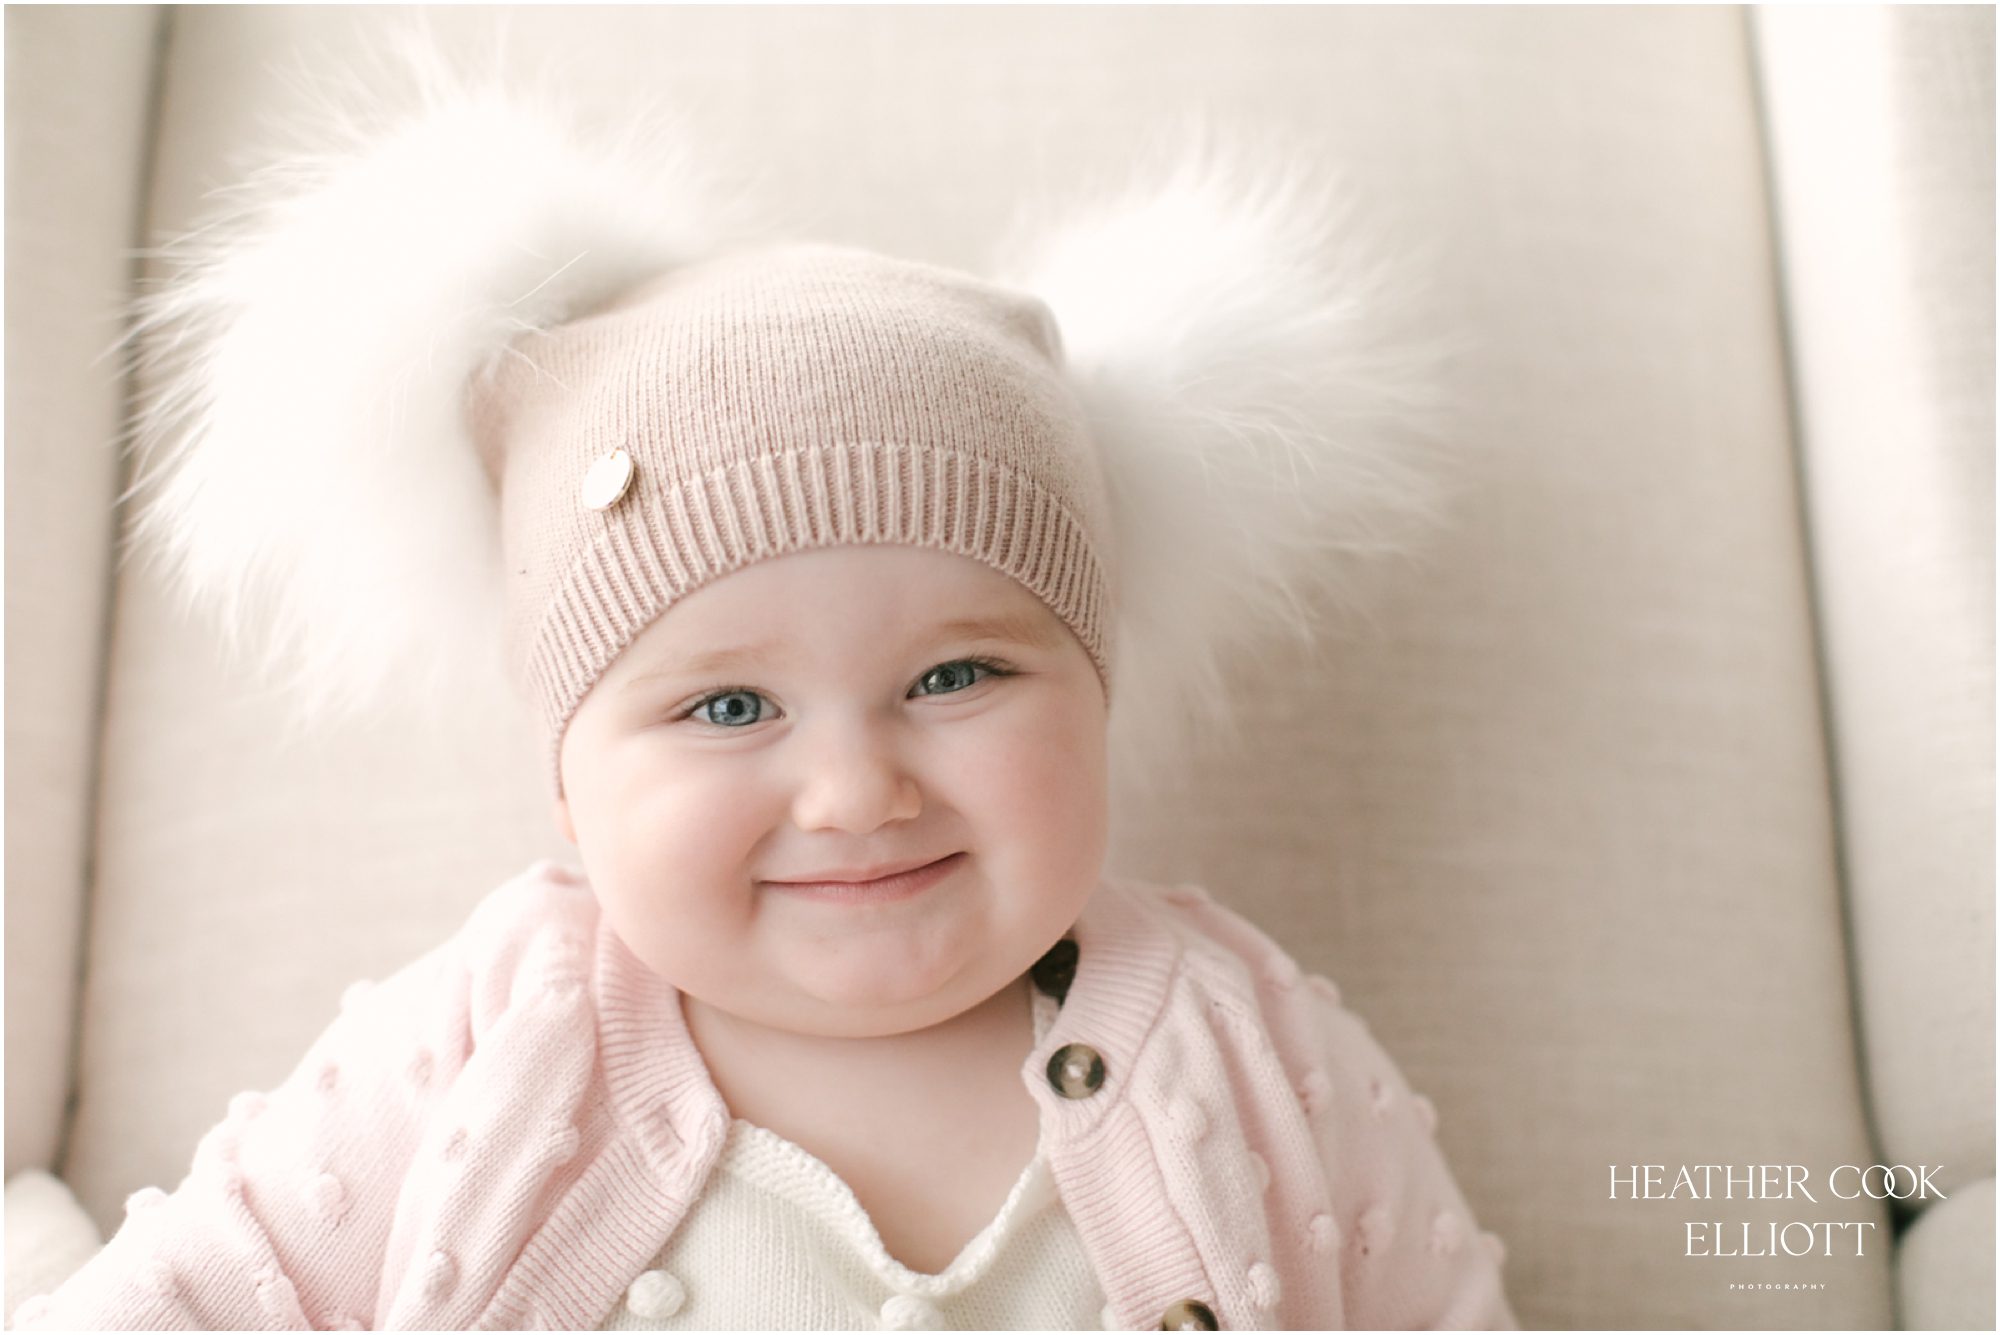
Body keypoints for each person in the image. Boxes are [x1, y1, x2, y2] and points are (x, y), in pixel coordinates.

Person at [17, 48, 1516, 1333]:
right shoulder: (501, 1038)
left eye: (957, 673)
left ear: (1099, 694)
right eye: (729, 707)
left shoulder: (1245, 1053)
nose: (859, 791)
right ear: (565, 778)